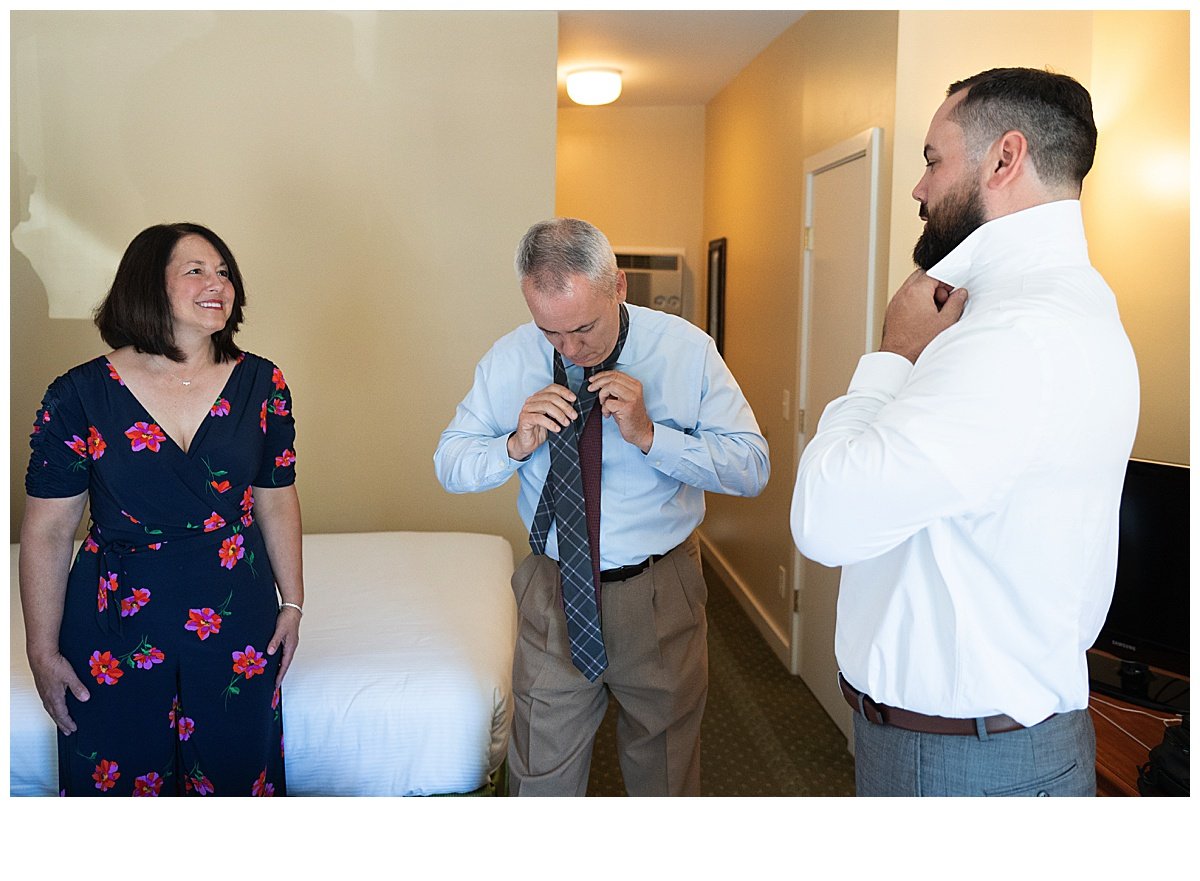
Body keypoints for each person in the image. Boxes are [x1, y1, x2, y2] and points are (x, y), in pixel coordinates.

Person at [790, 67, 1139, 796]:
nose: (919, 188)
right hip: (980, 742)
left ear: (1005, 158)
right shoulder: (1074, 305)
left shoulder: (1011, 338)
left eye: (931, 158)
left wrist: (888, 357)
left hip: (959, 764)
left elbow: (824, 520)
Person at [435, 218, 769, 796]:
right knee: (539, 777)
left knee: (663, 777)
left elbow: (752, 468)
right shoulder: (510, 359)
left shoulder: (686, 352)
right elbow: (450, 464)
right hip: (553, 589)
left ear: (618, 286)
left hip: (659, 592)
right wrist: (514, 445)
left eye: (583, 328)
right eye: (550, 333)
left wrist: (650, 435)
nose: (569, 349)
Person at [20, 222, 303, 797]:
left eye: (224, 271)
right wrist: (41, 650)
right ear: (149, 285)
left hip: (235, 617)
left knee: (231, 781)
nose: (216, 283)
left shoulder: (262, 382)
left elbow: (276, 498)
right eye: (195, 270)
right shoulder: (78, 395)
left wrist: (293, 603)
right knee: (117, 792)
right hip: (114, 621)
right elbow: (49, 531)